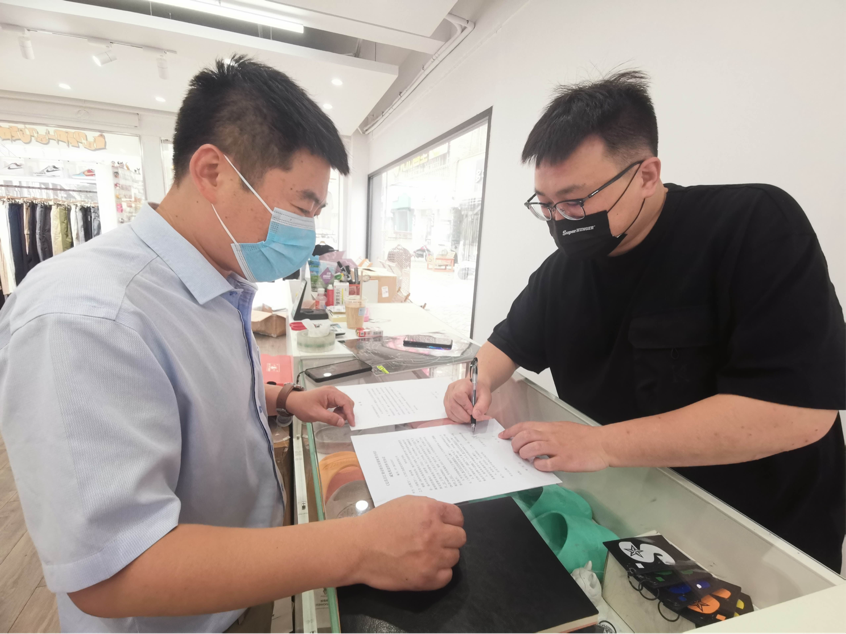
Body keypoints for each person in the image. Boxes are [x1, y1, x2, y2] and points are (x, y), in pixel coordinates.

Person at [0, 56, 465, 633]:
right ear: (213, 172)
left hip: (243, 583)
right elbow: (110, 571)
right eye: (301, 207)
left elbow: (182, 392)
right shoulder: (85, 314)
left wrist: (282, 399)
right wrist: (360, 546)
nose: (307, 233)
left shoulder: (213, 275)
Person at [444, 70, 846, 571]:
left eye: (576, 201)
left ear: (647, 175)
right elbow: (507, 344)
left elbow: (798, 414)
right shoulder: (564, 271)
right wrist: (475, 382)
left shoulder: (753, 225)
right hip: (633, 513)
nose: (560, 220)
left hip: (763, 540)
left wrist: (601, 444)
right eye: (545, 206)